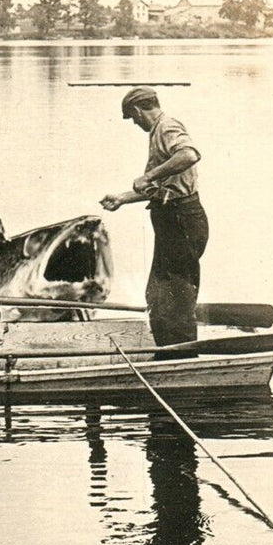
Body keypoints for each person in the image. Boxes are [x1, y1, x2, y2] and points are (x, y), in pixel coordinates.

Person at [100, 86, 208, 348]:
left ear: (138, 110)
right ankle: (169, 348)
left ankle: (181, 356)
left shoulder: (167, 127)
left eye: (133, 118)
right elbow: (163, 190)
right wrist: (123, 198)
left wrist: (149, 175)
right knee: (159, 294)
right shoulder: (158, 132)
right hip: (173, 220)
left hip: (182, 220)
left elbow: (189, 154)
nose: (135, 123)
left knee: (176, 297)